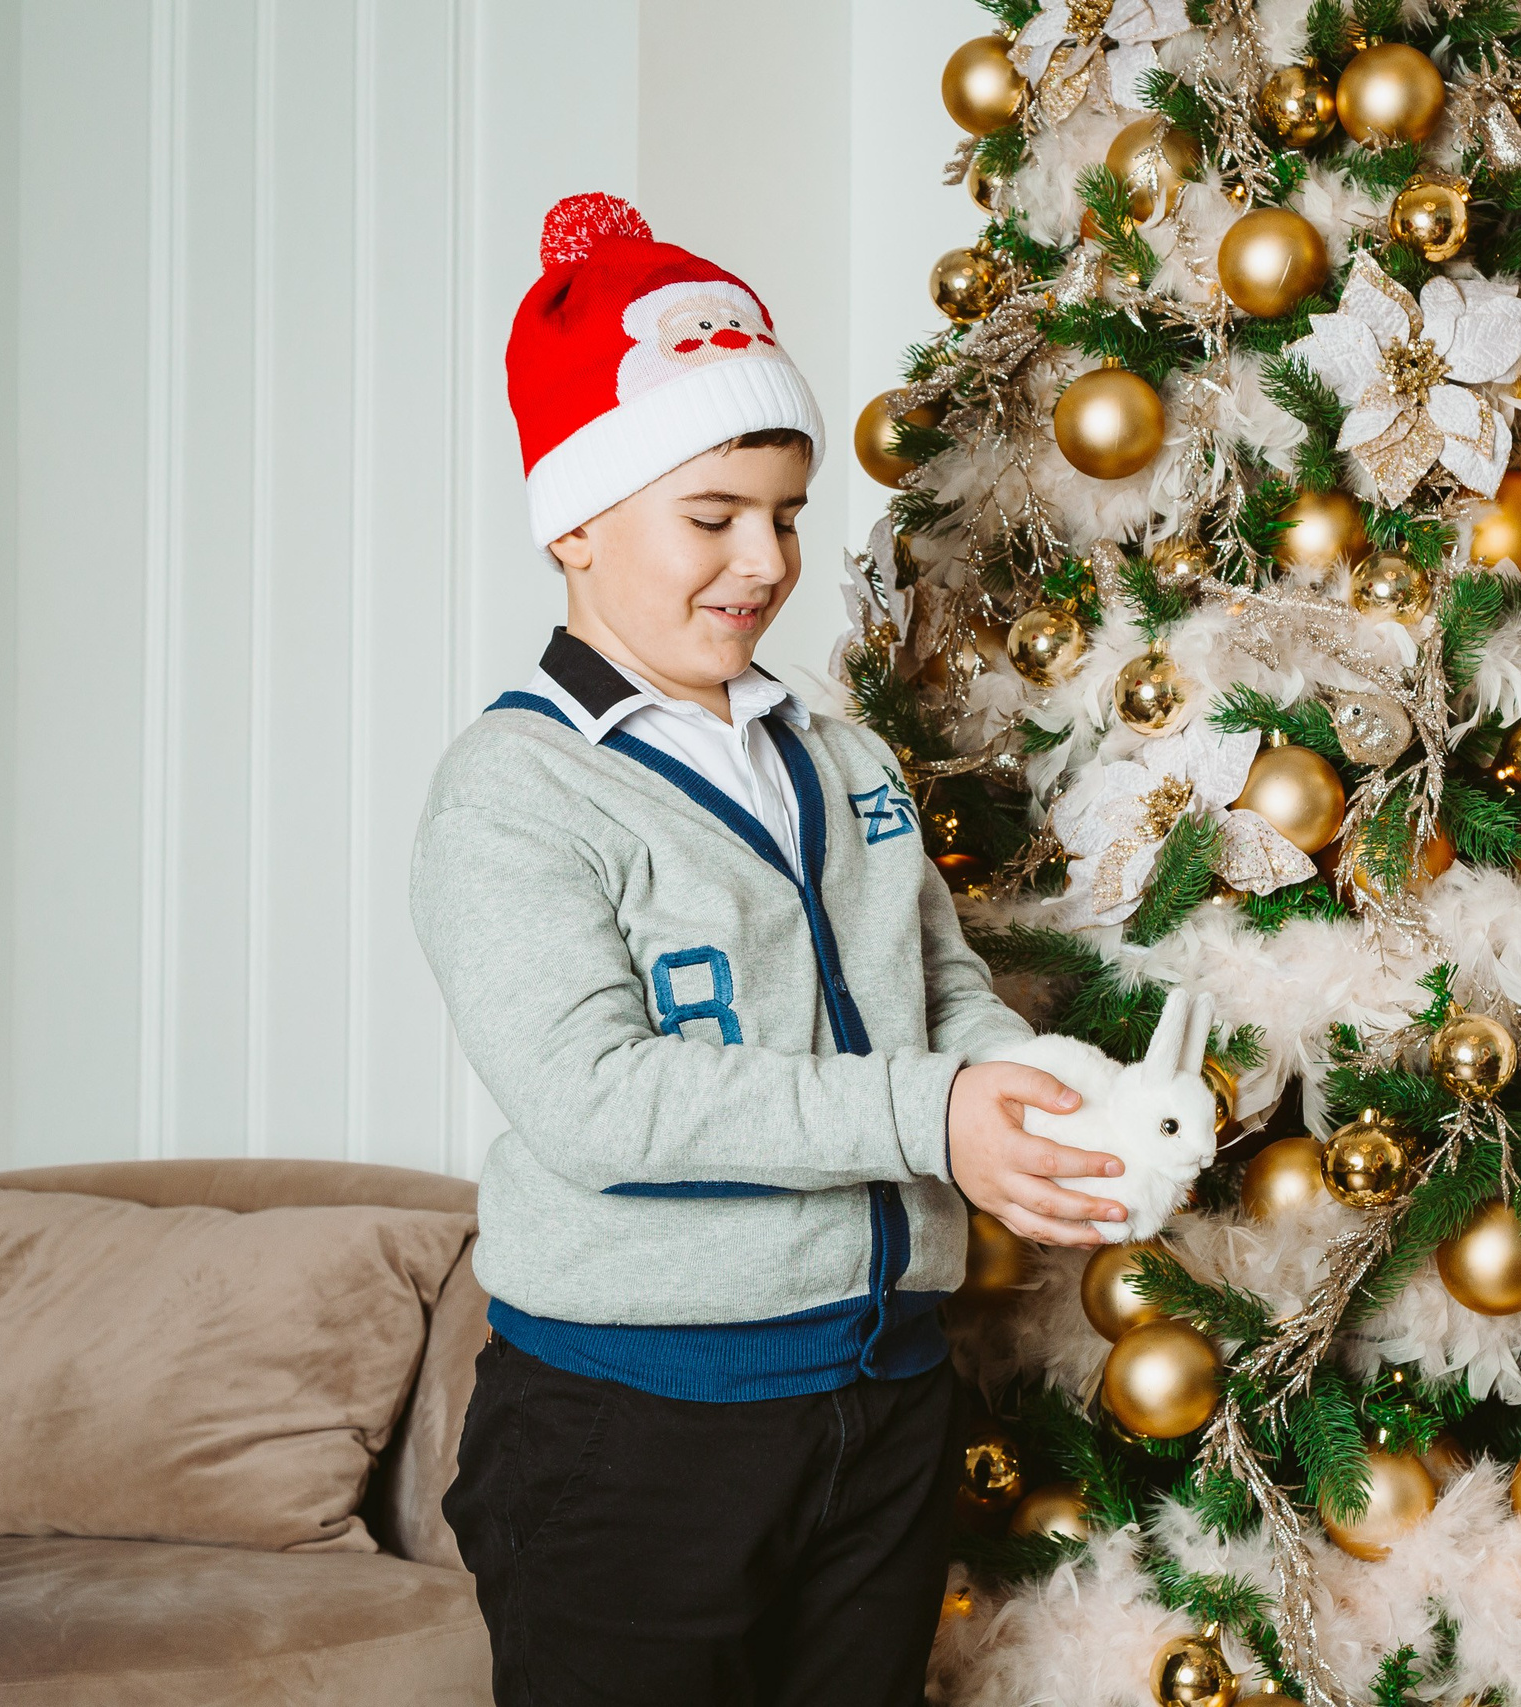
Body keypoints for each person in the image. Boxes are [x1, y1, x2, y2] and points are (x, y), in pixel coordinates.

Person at [411, 192, 1124, 1707]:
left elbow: (933, 983)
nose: (765, 560)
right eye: (713, 516)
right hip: (638, 1430)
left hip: (882, 1399)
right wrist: (922, 1110)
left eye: (789, 515)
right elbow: (598, 1096)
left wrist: (1022, 1084)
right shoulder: (514, 790)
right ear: (576, 519)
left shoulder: (840, 750)